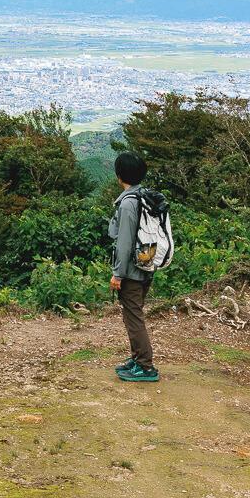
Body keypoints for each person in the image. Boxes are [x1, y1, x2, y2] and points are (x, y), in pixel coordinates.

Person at [108, 151, 159, 382]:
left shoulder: (129, 203)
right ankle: (138, 359)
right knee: (134, 315)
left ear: (120, 176)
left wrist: (117, 274)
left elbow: (125, 242)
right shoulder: (145, 196)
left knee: (133, 317)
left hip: (131, 271)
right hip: (146, 265)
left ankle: (145, 366)